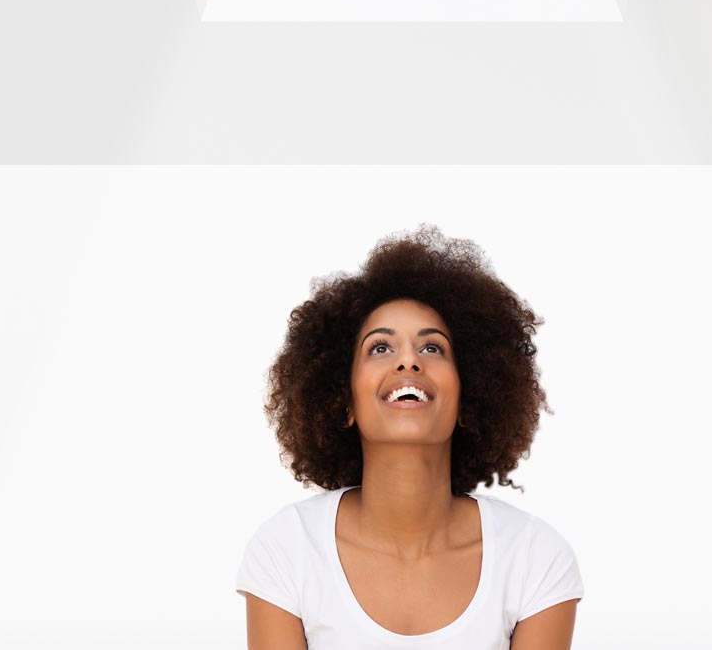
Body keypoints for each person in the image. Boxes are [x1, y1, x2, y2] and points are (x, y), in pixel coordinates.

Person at [235, 224, 584, 649]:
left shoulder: (534, 558)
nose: (408, 362)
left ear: (468, 396)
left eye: (433, 348)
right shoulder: (287, 548)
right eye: (380, 347)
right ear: (342, 400)